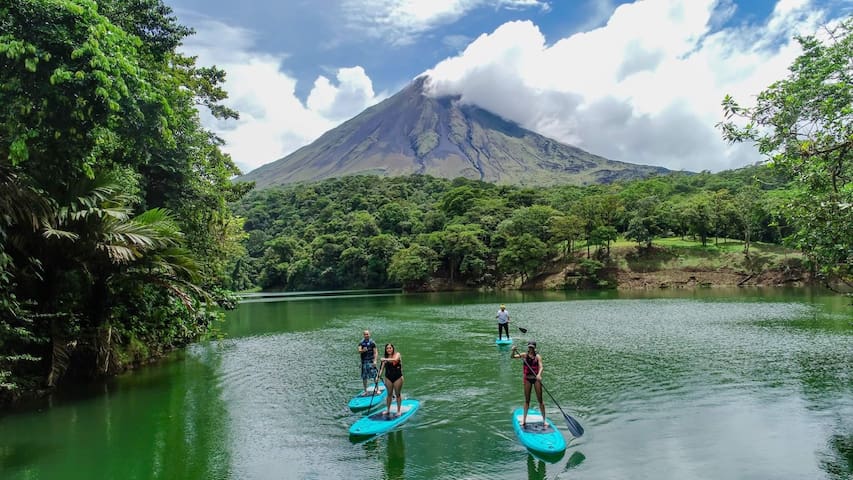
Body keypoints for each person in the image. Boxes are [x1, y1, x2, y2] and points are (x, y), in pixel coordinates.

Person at [511, 340, 545, 427]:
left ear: (534, 348)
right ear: (528, 347)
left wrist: (539, 375)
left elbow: (541, 367)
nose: (530, 349)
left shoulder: (538, 357)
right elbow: (513, 357)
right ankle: (524, 420)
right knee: (527, 400)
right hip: (527, 379)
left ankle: (544, 420)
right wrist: (513, 350)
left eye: (532, 347)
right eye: (529, 347)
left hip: (536, 379)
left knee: (540, 400)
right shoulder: (524, 355)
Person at [378, 343, 404, 417]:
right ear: (386, 350)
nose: (389, 349)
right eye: (387, 348)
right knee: (389, 394)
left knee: (397, 394)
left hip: (398, 377)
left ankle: (398, 411)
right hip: (388, 377)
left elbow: (395, 360)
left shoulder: (397, 354)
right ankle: (388, 410)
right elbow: (382, 369)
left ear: (393, 349)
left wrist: (385, 359)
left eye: (390, 348)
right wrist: (378, 377)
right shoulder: (385, 358)